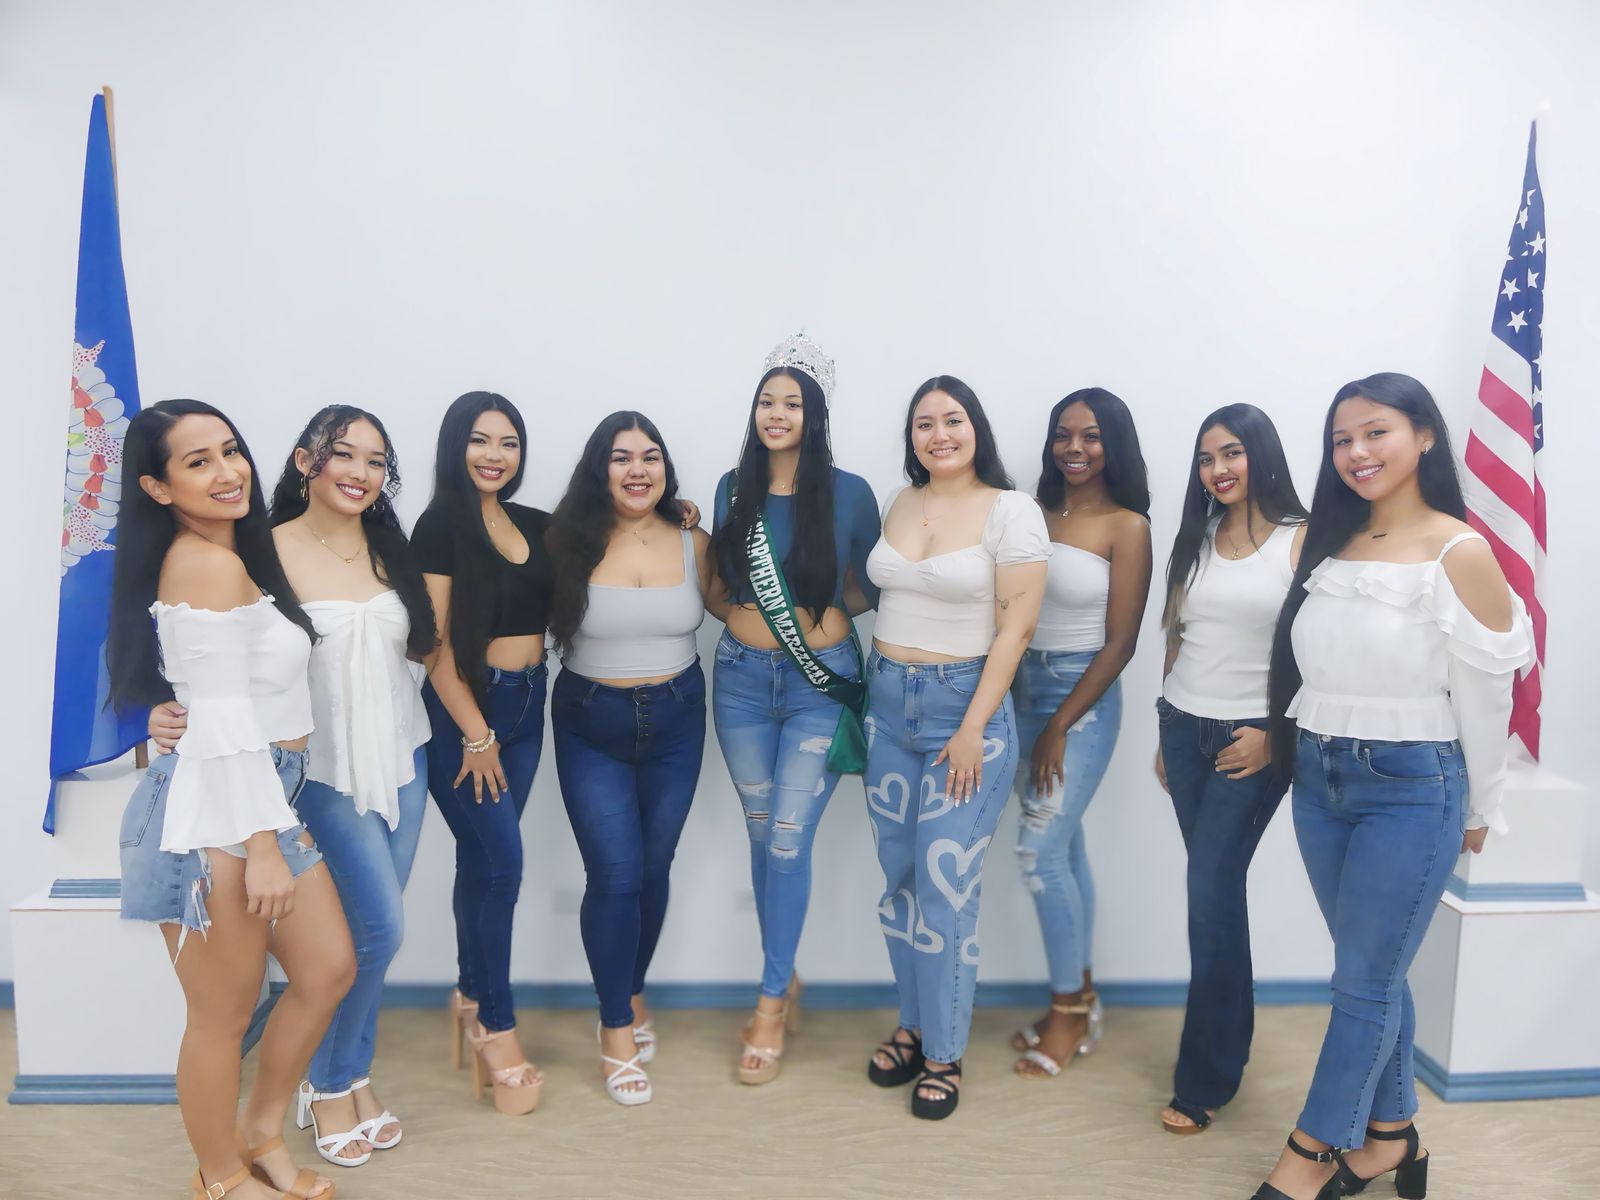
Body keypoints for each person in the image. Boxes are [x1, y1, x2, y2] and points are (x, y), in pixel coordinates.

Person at [1252, 374, 1531, 1200]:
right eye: (1342, 439)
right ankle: (1390, 1138)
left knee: (1363, 982)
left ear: (1425, 436)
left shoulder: (1459, 550)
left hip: (1413, 785)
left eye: (1376, 432)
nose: (1356, 452)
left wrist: (1484, 805)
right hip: (1319, 776)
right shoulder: (1331, 541)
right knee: (1371, 972)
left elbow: (1488, 696)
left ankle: (1309, 1152)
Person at [150, 405, 435, 1167]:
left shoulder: (391, 547)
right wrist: (161, 708)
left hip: (403, 760)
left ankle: (351, 1075)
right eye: (344, 454)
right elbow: (204, 652)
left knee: (369, 943)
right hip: (319, 774)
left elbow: (421, 651)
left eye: (376, 460)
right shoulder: (259, 549)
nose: (360, 472)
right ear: (307, 461)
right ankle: (328, 1083)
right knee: (376, 933)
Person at [110, 399, 354, 1200]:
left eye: (230, 450)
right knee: (222, 1014)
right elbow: (220, 719)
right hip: (215, 808)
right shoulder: (204, 564)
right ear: (156, 486)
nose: (227, 471)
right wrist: (261, 847)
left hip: (262, 791)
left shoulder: (231, 554)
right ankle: (219, 1177)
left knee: (327, 969)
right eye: (198, 461)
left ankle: (259, 1134)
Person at [862, 376, 1049, 1119]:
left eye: (953, 420)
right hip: (887, 709)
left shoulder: (1012, 511)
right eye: (924, 423)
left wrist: (975, 725)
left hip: (962, 715)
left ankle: (944, 1053)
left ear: (977, 429)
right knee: (900, 881)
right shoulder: (899, 500)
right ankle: (913, 1025)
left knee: (945, 891)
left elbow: (1017, 628)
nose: (939, 434)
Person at [707, 333, 880, 1085]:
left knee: (785, 841)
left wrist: (824, 620)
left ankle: (771, 1000)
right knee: (762, 835)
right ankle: (785, 972)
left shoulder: (851, 493)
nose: (777, 414)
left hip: (818, 688)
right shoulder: (730, 489)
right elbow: (721, 582)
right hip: (741, 686)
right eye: (766, 401)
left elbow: (876, 580)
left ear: (815, 415)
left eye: (793, 403)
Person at [545, 411, 713, 1106]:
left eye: (650, 457)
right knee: (613, 875)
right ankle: (615, 1026)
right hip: (591, 722)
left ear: (666, 468)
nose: (638, 470)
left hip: (678, 717)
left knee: (653, 868)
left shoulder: (694, 539)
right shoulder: (563, 538)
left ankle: (632, 988)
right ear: (599, 468)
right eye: (621, 457)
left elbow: (741, 611)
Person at [1153, 404, 1307, 1136]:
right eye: (1207, 458)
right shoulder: (1198, 535)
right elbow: (1178, 635)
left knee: (1208, 893)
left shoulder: (1301, 538)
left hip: (1251, 740)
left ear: (1262, 455)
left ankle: (1204, 1079)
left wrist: (1278, 736)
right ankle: (1227, 1047)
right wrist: (1165, 726)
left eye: (1232, 453)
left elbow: (1321, 649)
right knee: (1215, 895)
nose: (1218, 469)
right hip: (1183, 729)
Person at [412, 392, 552, 1116]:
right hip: (467, 712)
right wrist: (476, 733)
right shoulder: (440, 524)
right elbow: (432, 644)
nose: (495, 455)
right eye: (480, 440)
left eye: (509, 443)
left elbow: (612, 523)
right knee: (503, 867)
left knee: (482, 859)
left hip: (529, 704)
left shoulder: (535, 523)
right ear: (454, 446)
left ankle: (469, 994)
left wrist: (681, 513)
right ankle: (496, 1025)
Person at [1008, 388, 1152, 1079]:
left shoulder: (1128, 525)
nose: (1074, 448)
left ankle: (1066, 1009)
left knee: (1037, 854)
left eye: (1091, 436)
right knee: (1064, 849)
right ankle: (1082, 994)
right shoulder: (1029, 514)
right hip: (1018, 688)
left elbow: (1122, 642)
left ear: (1113, 444)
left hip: (1080, 698)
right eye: (1063, 434)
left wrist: (1059, 725)